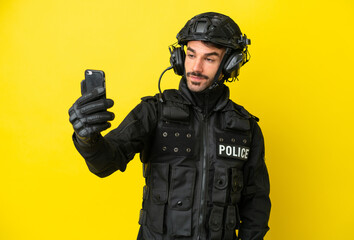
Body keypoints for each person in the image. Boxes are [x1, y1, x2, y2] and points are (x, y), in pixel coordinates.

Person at [68, 12, 271, 240]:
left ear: (231, 63)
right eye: (191, 55)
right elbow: (105, 163)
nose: (195, 67)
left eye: (209, 59)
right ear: (179, 57)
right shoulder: (154, 111)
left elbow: (257, 202)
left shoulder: (246, 128)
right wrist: (88, 139)